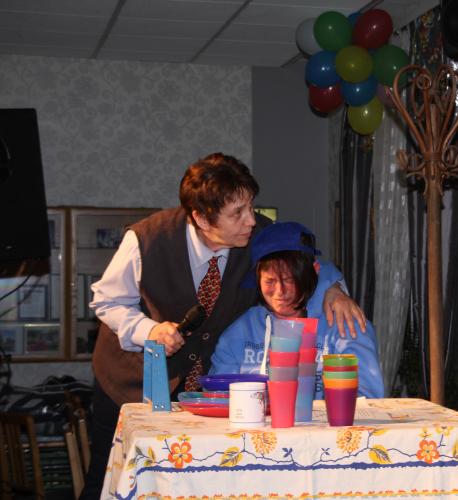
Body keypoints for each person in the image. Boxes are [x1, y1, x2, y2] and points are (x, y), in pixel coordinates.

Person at [82, 153, 365, 499]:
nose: (251, 220)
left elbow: (305, 260)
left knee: (194, 483)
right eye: (238, 213)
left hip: (204, 389)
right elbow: (106, 301)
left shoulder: (258, 234)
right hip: (131, 381)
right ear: (201, 217)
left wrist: (334, 289)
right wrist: (149, 331)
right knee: (109, 480)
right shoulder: (147, 239)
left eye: (251, 206)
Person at [210, 221, 385, 399]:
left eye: (289, 280)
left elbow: (366, 399)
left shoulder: (343, 324)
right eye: (270, 281)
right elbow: (218, 397)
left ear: (315, 271)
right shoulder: (241, 332)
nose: (280, 292)